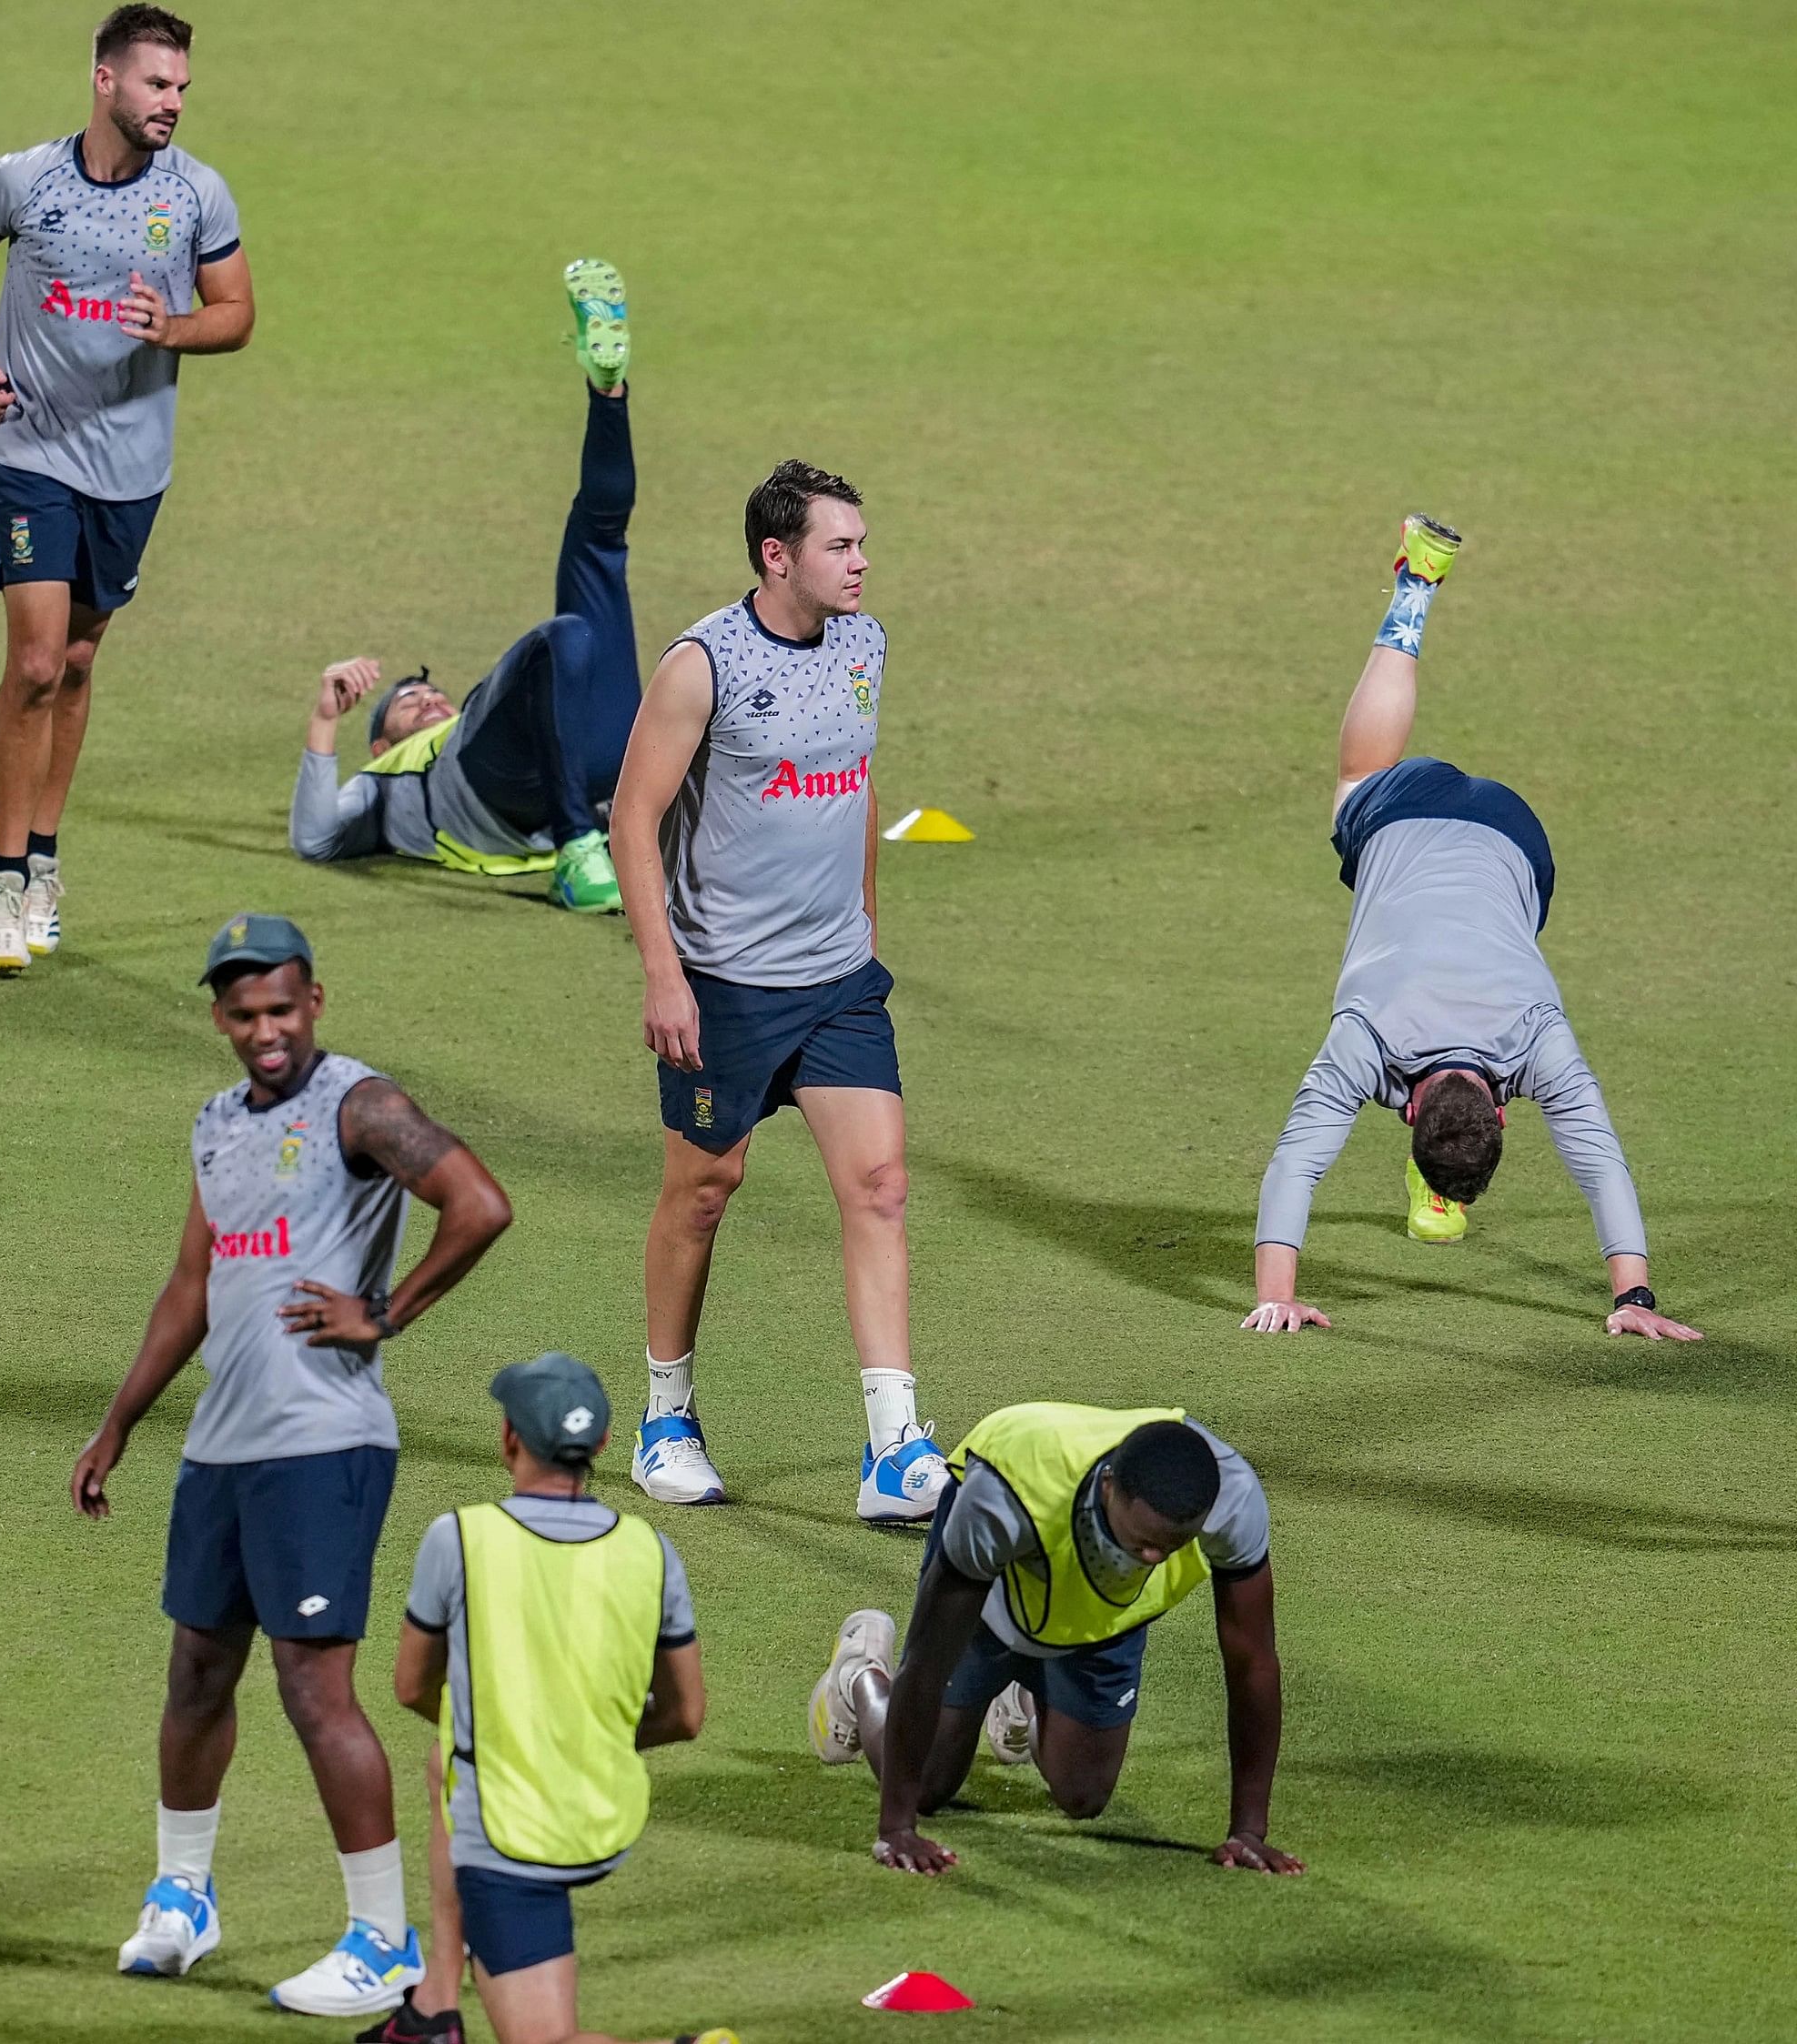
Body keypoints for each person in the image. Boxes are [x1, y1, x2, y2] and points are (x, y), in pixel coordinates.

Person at [71, 915, 511, 2017]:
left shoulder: (360, 1107)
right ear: (220, 1017)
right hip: (223, 1444)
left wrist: (386, 1316)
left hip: (323, 1442)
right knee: (195, 1675)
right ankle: (182, 1898)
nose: (263, 1030)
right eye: (242, 1013)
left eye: (280, 1008)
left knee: (316, 1693)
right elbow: (191, 1286)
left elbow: (481, 1203)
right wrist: (121, 1422)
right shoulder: (218, 1126)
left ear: (316, 999)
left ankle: (382, 1942)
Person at [1244, 517, 1703, 1344]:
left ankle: (1416, 586)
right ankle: (1413, 588)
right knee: (1358, 781)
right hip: (1428, 817)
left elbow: (1600, 1157)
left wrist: (1636, 1293)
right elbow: (1297, 1163)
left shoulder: (1535, 1045)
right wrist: (1630, 1301)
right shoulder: (1364, 1042)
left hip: (1520, 844)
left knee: (1416, 833)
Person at [606, 460, 948, 1525]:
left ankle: (894, 1447)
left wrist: (867, 929)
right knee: (705, 1193)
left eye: (860, 543)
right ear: (777, 556)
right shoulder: (701, 667)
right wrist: (666, 975)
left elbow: (858, 778)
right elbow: (631, 818)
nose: (860, 562)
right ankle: (665, 1422)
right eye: (840, 546)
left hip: (837, 984)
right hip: (727, 990)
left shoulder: (864, 642)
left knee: (880, 1186)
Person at [0, 4, 256, 972]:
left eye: (183, 89)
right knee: (33, 663)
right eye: (158, 84)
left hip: (131, 471)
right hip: (27, 452)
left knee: (75, 660)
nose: (173, 104)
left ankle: (42, 859)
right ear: (105, 80)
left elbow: (236, 315)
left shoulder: (198, 195)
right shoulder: (21, 180)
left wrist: (174, 329)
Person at [358, 1353, 734, 2044]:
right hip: (604, 1815)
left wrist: (512, 1735)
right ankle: (436, 2000)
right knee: (447, 1765)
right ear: (599, 1447)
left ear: (507, 1439)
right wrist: (583, 1738)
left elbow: (412, 1685)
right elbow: (685, 1714)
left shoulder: (460, 1538)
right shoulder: (651, 1550)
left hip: (512, 1840)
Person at [805, 1401, 1298, 1882]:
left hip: (1105, 1622)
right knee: (927, 1786)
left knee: (1083, 1797)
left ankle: (1021, 1692)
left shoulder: (1232, 1499)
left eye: (1168, 1547)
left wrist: (1248, 1831)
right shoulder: (1003, 1494)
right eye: (1140, 1541)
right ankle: (860, 1675)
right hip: (999, 1594)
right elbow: (930, 1660)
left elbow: (1252, 1663)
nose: (1150, 1558)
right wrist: (896, 1826)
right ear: (1108, 1487)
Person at [290, 261, 642, 915]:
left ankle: (607, 389)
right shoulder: (387, 785)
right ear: (382, 744)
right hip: (489, 783)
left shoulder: (490, 718)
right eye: (405, 702)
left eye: (429, 691)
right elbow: (313, 838)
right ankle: (576, 852)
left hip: (595, 762)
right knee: (565, 640)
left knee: (600, 542)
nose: (424, 699)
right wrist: (323, 718)